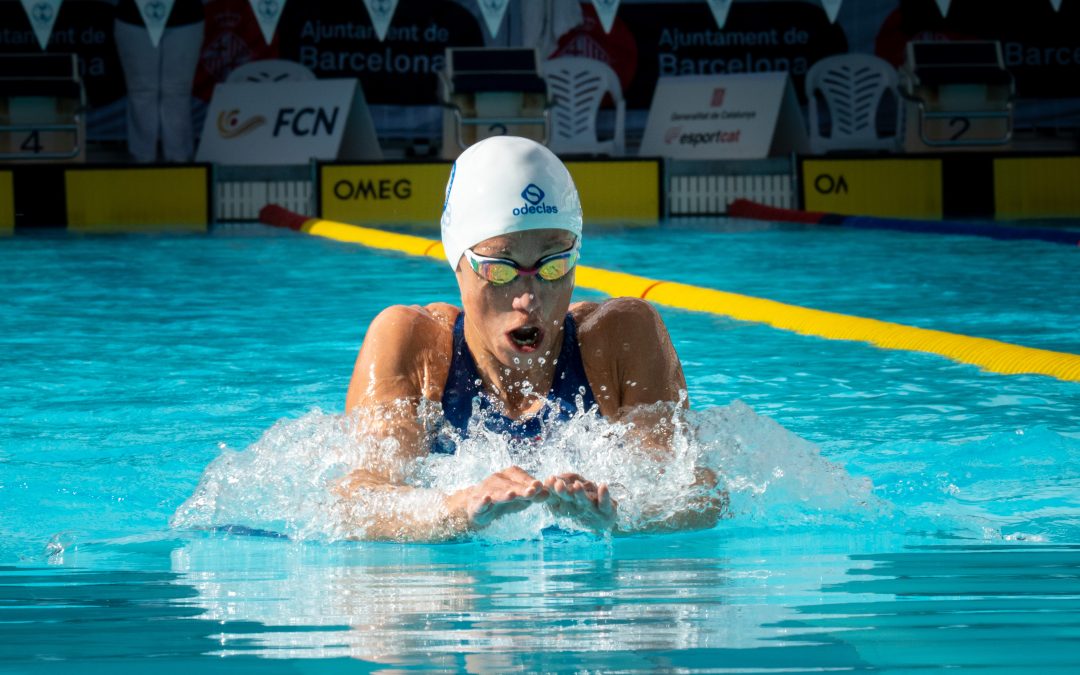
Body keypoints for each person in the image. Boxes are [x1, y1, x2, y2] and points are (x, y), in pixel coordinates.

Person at [339, 136, 720, 541]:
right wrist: (458, 508)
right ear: (458, 264)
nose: (529, 298)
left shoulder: (621, 338)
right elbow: (356, 502)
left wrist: (622, 515)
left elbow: (698, 494)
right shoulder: (414, 345)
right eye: (500, 269)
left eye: (554, 266)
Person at [113, 0, 205, 162]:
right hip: (133, 18)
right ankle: (142, 157)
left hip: (186, 17)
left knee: (177, 91)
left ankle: (179, 158)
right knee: (142, 90)